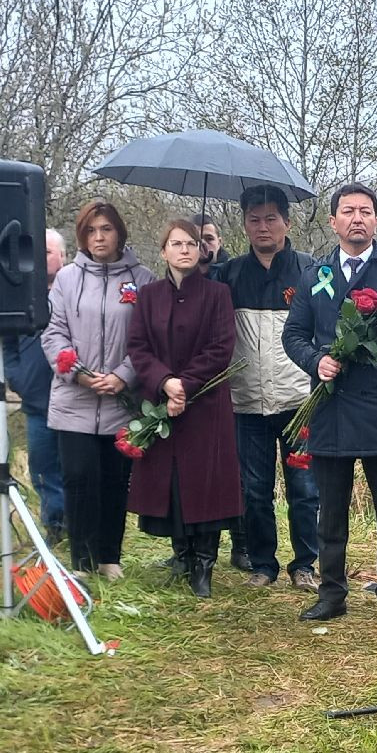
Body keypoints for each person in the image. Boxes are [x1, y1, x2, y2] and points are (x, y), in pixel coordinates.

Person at [284, 182, 377, 624]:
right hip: (330, 408)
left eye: (365, 211)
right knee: (330, 509)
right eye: (348, 211)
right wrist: (317, 360)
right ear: (333, 222)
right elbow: (293, 335)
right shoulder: (315, 275)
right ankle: (332, 592)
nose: (357, 218)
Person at [123, 218, 243, 597]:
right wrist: (164, 382)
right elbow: (138, 347)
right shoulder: (149, 296)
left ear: (202, 250)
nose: (185, 249)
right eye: (176, 243)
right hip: (162, 402)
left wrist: (185, 385)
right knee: (172, 483)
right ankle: (182, 556)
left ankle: (204, 564)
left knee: (204, 485)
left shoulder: (217, 294)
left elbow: (221, 348)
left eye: (191, 243)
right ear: (164, 251)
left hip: (205, 405)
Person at [217, 185, 322, 591]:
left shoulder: (312, 271)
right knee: (255, 489)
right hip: (246, 401)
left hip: (298, 402)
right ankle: (263, 564)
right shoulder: (228, 274)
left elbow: (327, 329)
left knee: (304, 488)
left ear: (287, 222)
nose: (263, 227)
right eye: (254, 219)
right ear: (244, 224)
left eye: (271, 219)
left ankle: (305, 565)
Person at [41, 200, 152, 580]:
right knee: (78, 477)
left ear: (119, 232)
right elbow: (53, 333)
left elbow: (148, 340)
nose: (99, 237)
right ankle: (81, 562)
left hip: (121, 400)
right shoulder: (68, 279)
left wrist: (124, 375)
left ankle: (109, 558)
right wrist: (79, 373)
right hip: (75, 398)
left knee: (113, 480)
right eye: (91, 231)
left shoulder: (143, 279)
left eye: (106, 229)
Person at [3, 228, 68, 544]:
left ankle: (82, 529)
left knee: (77, 470)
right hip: (37, 403)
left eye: (47, 252)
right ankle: (55, 530)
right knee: (43, 471)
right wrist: (17, 378)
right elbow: (8, 345)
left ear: (62, 256)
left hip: (75, 399)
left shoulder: (74, 292)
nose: (42, 259)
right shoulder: (19, 297)